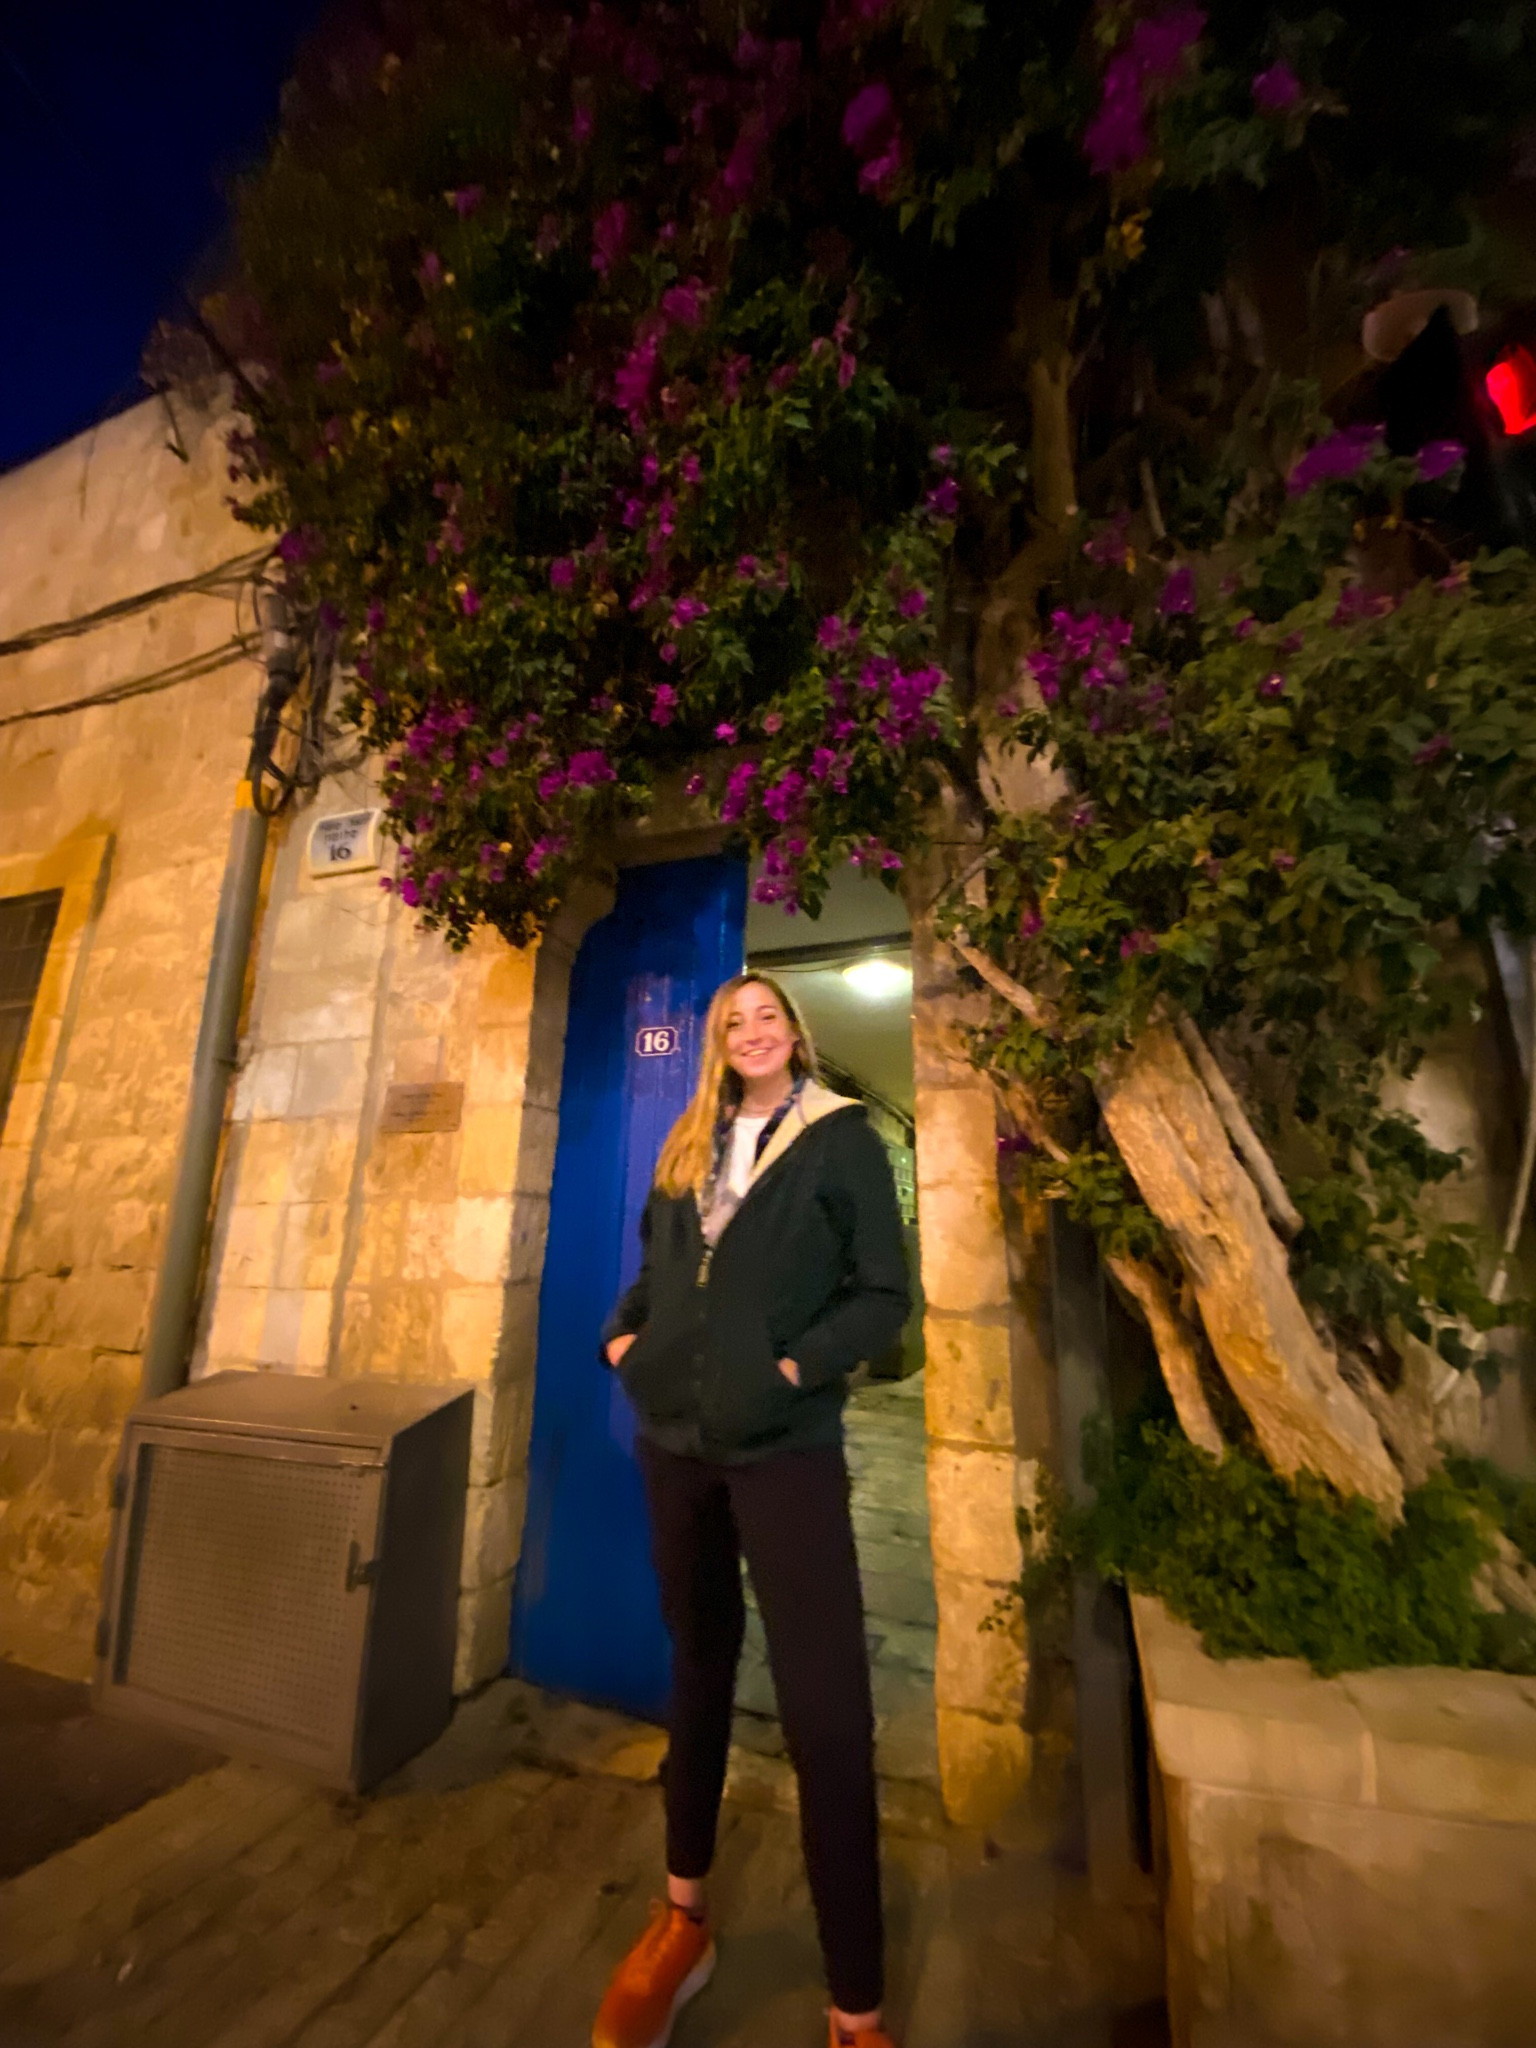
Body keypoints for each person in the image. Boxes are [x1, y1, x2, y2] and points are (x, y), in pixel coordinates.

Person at [591, 972, 911, 2048]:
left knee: (827, 1710)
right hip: (675, 1442)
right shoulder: (692, 1142)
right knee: (698, 1666)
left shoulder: (840, 1139)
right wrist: (624, 1340)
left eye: (768, 1013)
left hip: (785, 1449)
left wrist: (790, 1366)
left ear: (795, 1031)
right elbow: (657, 1272)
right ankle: (683, 1916)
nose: (753, 1029)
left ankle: (855, 2003)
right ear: (717, 1045)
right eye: (734, 1020)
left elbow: (882, 1292)